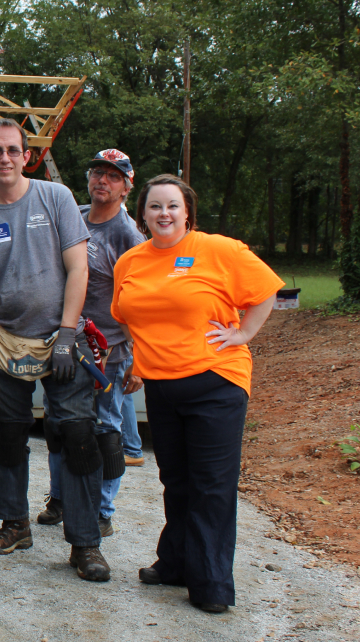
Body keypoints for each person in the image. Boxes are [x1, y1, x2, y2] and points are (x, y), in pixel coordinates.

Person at [112, 174, 282, 614]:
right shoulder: (130, 261)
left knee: (212, 486)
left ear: (187, 211)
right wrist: (138, 358)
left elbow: (266, 292)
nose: (163, 214)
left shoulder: (219, 250)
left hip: (216, 383)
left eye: (172, 206)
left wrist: (243, 332)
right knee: (177, 482)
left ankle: (211, 584)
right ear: (142, 213)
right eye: (154, 206)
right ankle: (176, 562)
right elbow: (127, 314)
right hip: (162, 388)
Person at [0, 118, 111, 582]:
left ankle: (85, 543)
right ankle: (14, 525)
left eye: (13, 150)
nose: (4, 158)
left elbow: (77, 270)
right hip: (5, 340)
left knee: (77, 436)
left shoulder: (55, 198)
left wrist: (68, 335)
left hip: (60, 340)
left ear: (26, 156)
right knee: (9, 432)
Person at [38, 149, 145, 537]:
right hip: (66, 340)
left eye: (114, 176)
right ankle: (61, 497)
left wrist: (136, 357)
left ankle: (102, 508)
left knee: (105, 427)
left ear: (126, 187)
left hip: (107, 350)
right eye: (98, 172)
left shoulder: (128, 236)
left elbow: (138, 300)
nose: (103, 180)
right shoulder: (75, 216)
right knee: (58, 423)